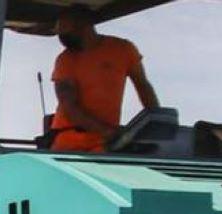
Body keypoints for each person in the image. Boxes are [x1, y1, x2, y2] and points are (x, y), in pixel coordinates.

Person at [49, 5, 159, 153]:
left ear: (85, 25)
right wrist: (111, 133)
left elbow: (143, 85)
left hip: (103, 144)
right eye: (59, 34)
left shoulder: (123, 49)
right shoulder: (65, 60)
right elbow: (70, 108)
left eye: (65, 32)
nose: (61, 39)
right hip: (69, 142)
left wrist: (157, 121)